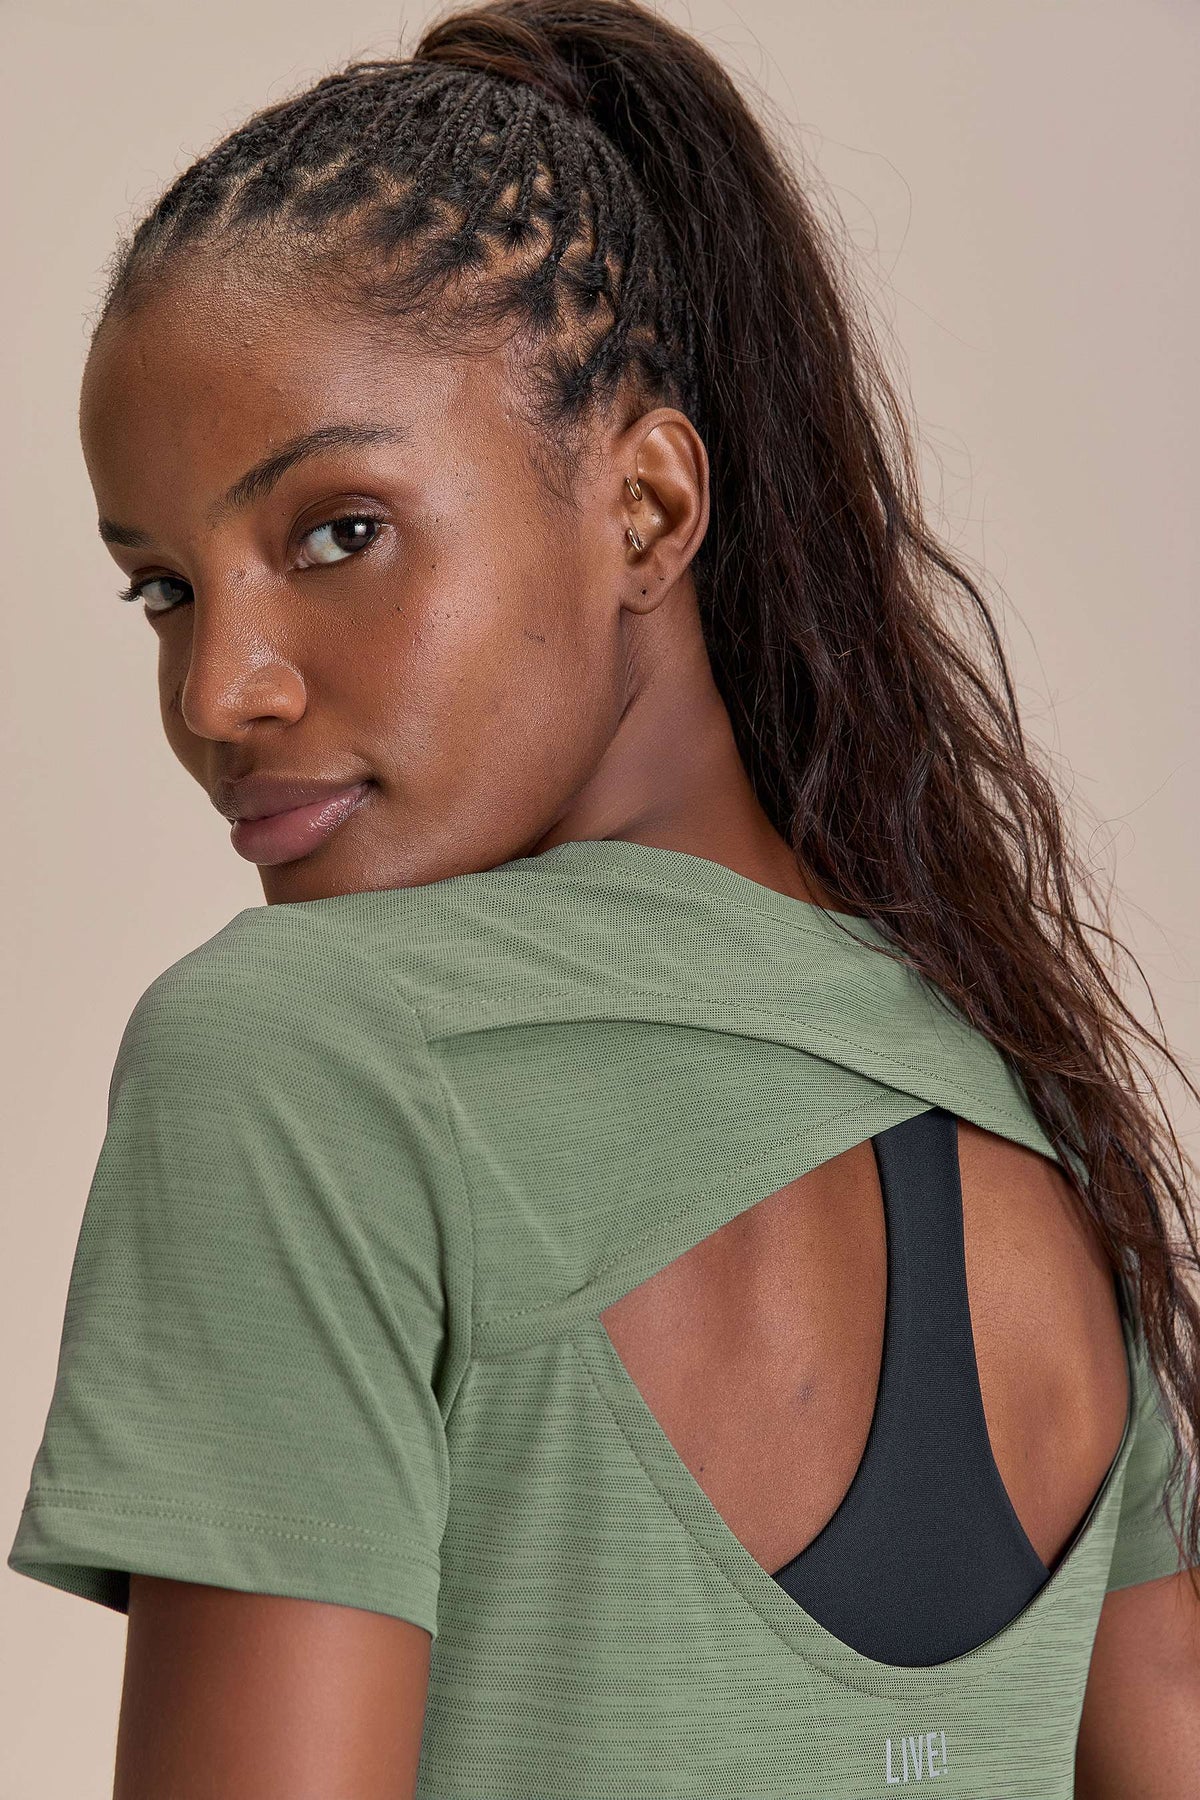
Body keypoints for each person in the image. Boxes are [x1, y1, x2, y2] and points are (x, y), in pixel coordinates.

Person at [8, 1, 1199, 1794]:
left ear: (644, 506)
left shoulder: (310, 1059)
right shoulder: (1026, 1084)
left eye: (339, 532)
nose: (219, 692)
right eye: (165, 589)